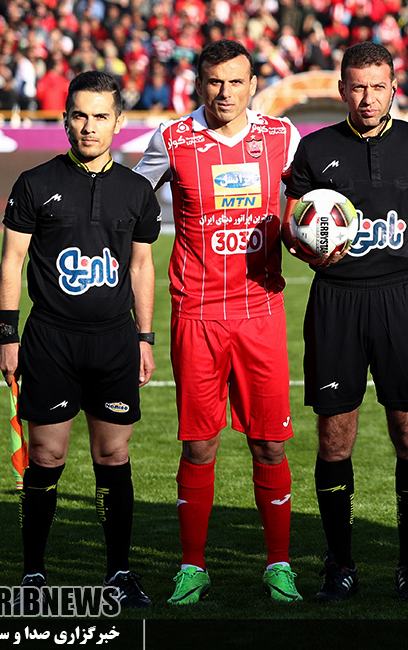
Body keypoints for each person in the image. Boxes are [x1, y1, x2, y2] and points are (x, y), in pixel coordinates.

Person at [134, 39, 303, 605]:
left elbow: (308, 205)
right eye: (214, 81)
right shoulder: (172, 138)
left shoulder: (283, 136)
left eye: (236, 81)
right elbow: (129, 199)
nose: (225, 92)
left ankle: (279, 564)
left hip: (260, 311)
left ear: (253, 84)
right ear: (199, 84)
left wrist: (312, 236)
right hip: (197, 314)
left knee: (270, 446)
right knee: (199, 447)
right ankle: (192, 566)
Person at [282, 42, 408, 603]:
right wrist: (302, 242)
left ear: (394, 88)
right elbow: (290, 220)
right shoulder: (316, 148)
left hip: (403, 298)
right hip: (338, 300)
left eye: (378, 87)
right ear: (342, 90)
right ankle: (340, 563)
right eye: (357, 87)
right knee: (335, 437)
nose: (368, 98)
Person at [0, 70, 159, 610]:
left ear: (118, 122)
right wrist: (8, 335)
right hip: (51, 339)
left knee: (113, 454)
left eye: (100, 116)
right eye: (80, 115)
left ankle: (119, 574)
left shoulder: (136, 190)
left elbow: (141, 267)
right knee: (46, 454)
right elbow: (12, 261)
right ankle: (33, 576)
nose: (89, 126)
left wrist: (145, 337)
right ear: (66, 119)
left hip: (114, 341)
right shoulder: (34, 182)